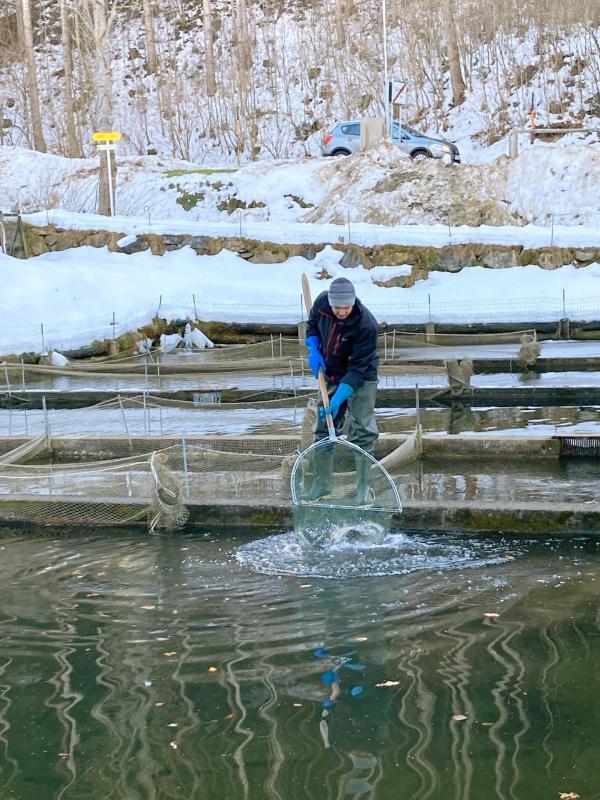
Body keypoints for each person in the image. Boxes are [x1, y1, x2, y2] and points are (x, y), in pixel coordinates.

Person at [305, 276, 379, 504]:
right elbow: (312, 327)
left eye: (346, 307)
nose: (342, 312)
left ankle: (364, 488)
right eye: (337, 307)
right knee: (324, 427)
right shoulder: (320, 304)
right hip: (331, 372)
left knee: (362, 430)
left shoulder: (366, 323)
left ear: (353, 302)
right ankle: (322, 486)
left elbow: (357, 369)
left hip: (362, 376)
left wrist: (339, 398)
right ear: (330, 301)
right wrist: (313, 347)